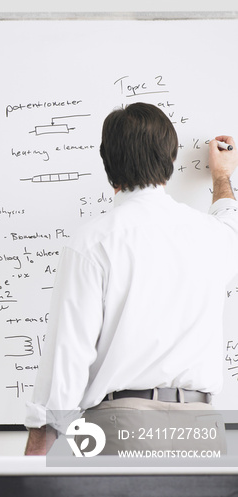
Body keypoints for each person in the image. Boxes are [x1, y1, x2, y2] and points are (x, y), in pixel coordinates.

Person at [24, 102, 238, 456]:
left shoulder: (93, 242)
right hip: (203, 430)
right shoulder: (212, 236)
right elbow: (231, 221)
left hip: (120, 428)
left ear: (107, 162)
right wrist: (221, 177)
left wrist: (33, 461)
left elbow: (67, 357)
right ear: (170, 160)